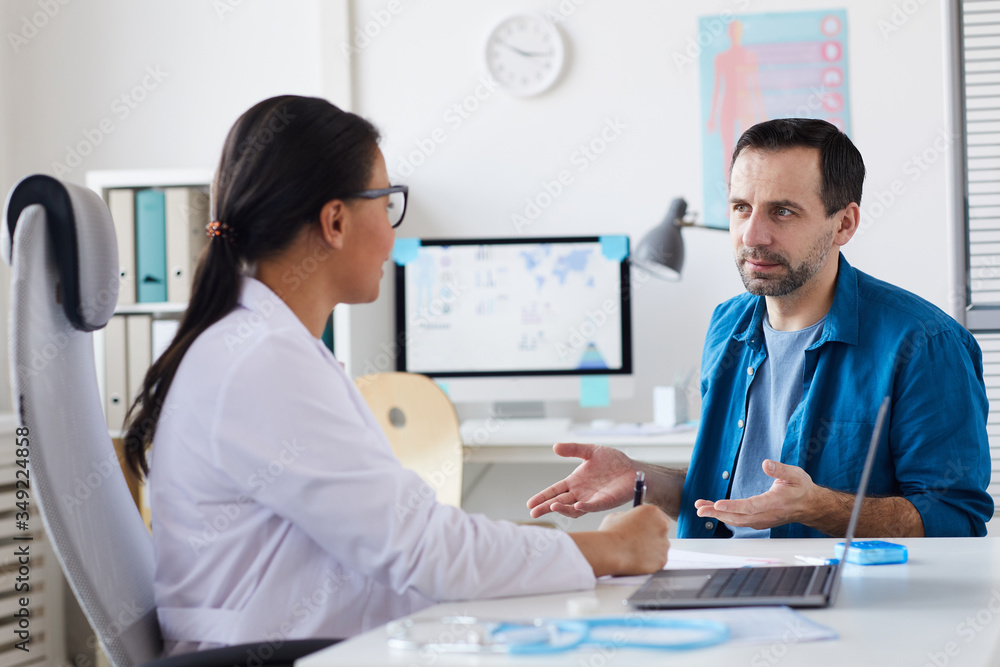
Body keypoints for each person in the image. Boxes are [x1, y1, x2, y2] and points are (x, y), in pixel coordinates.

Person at [122, 95, 670, 655]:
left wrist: (547, 550)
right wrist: (612, 552)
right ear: (334, 221)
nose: (392, 235)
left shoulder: (259, 346)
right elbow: (421, 552)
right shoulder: (259, 360)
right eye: (386, 205)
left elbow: (391, 544)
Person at [528, 118, 993, 540]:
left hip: (848, 599)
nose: (752, 235)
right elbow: (724, 495)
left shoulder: (925, 343)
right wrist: (642, 480)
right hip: (717, 585)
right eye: (741, 208)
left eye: (782, 211)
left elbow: (955, 517)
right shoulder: (727, 324)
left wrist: (819, 508)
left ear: (844, 224)